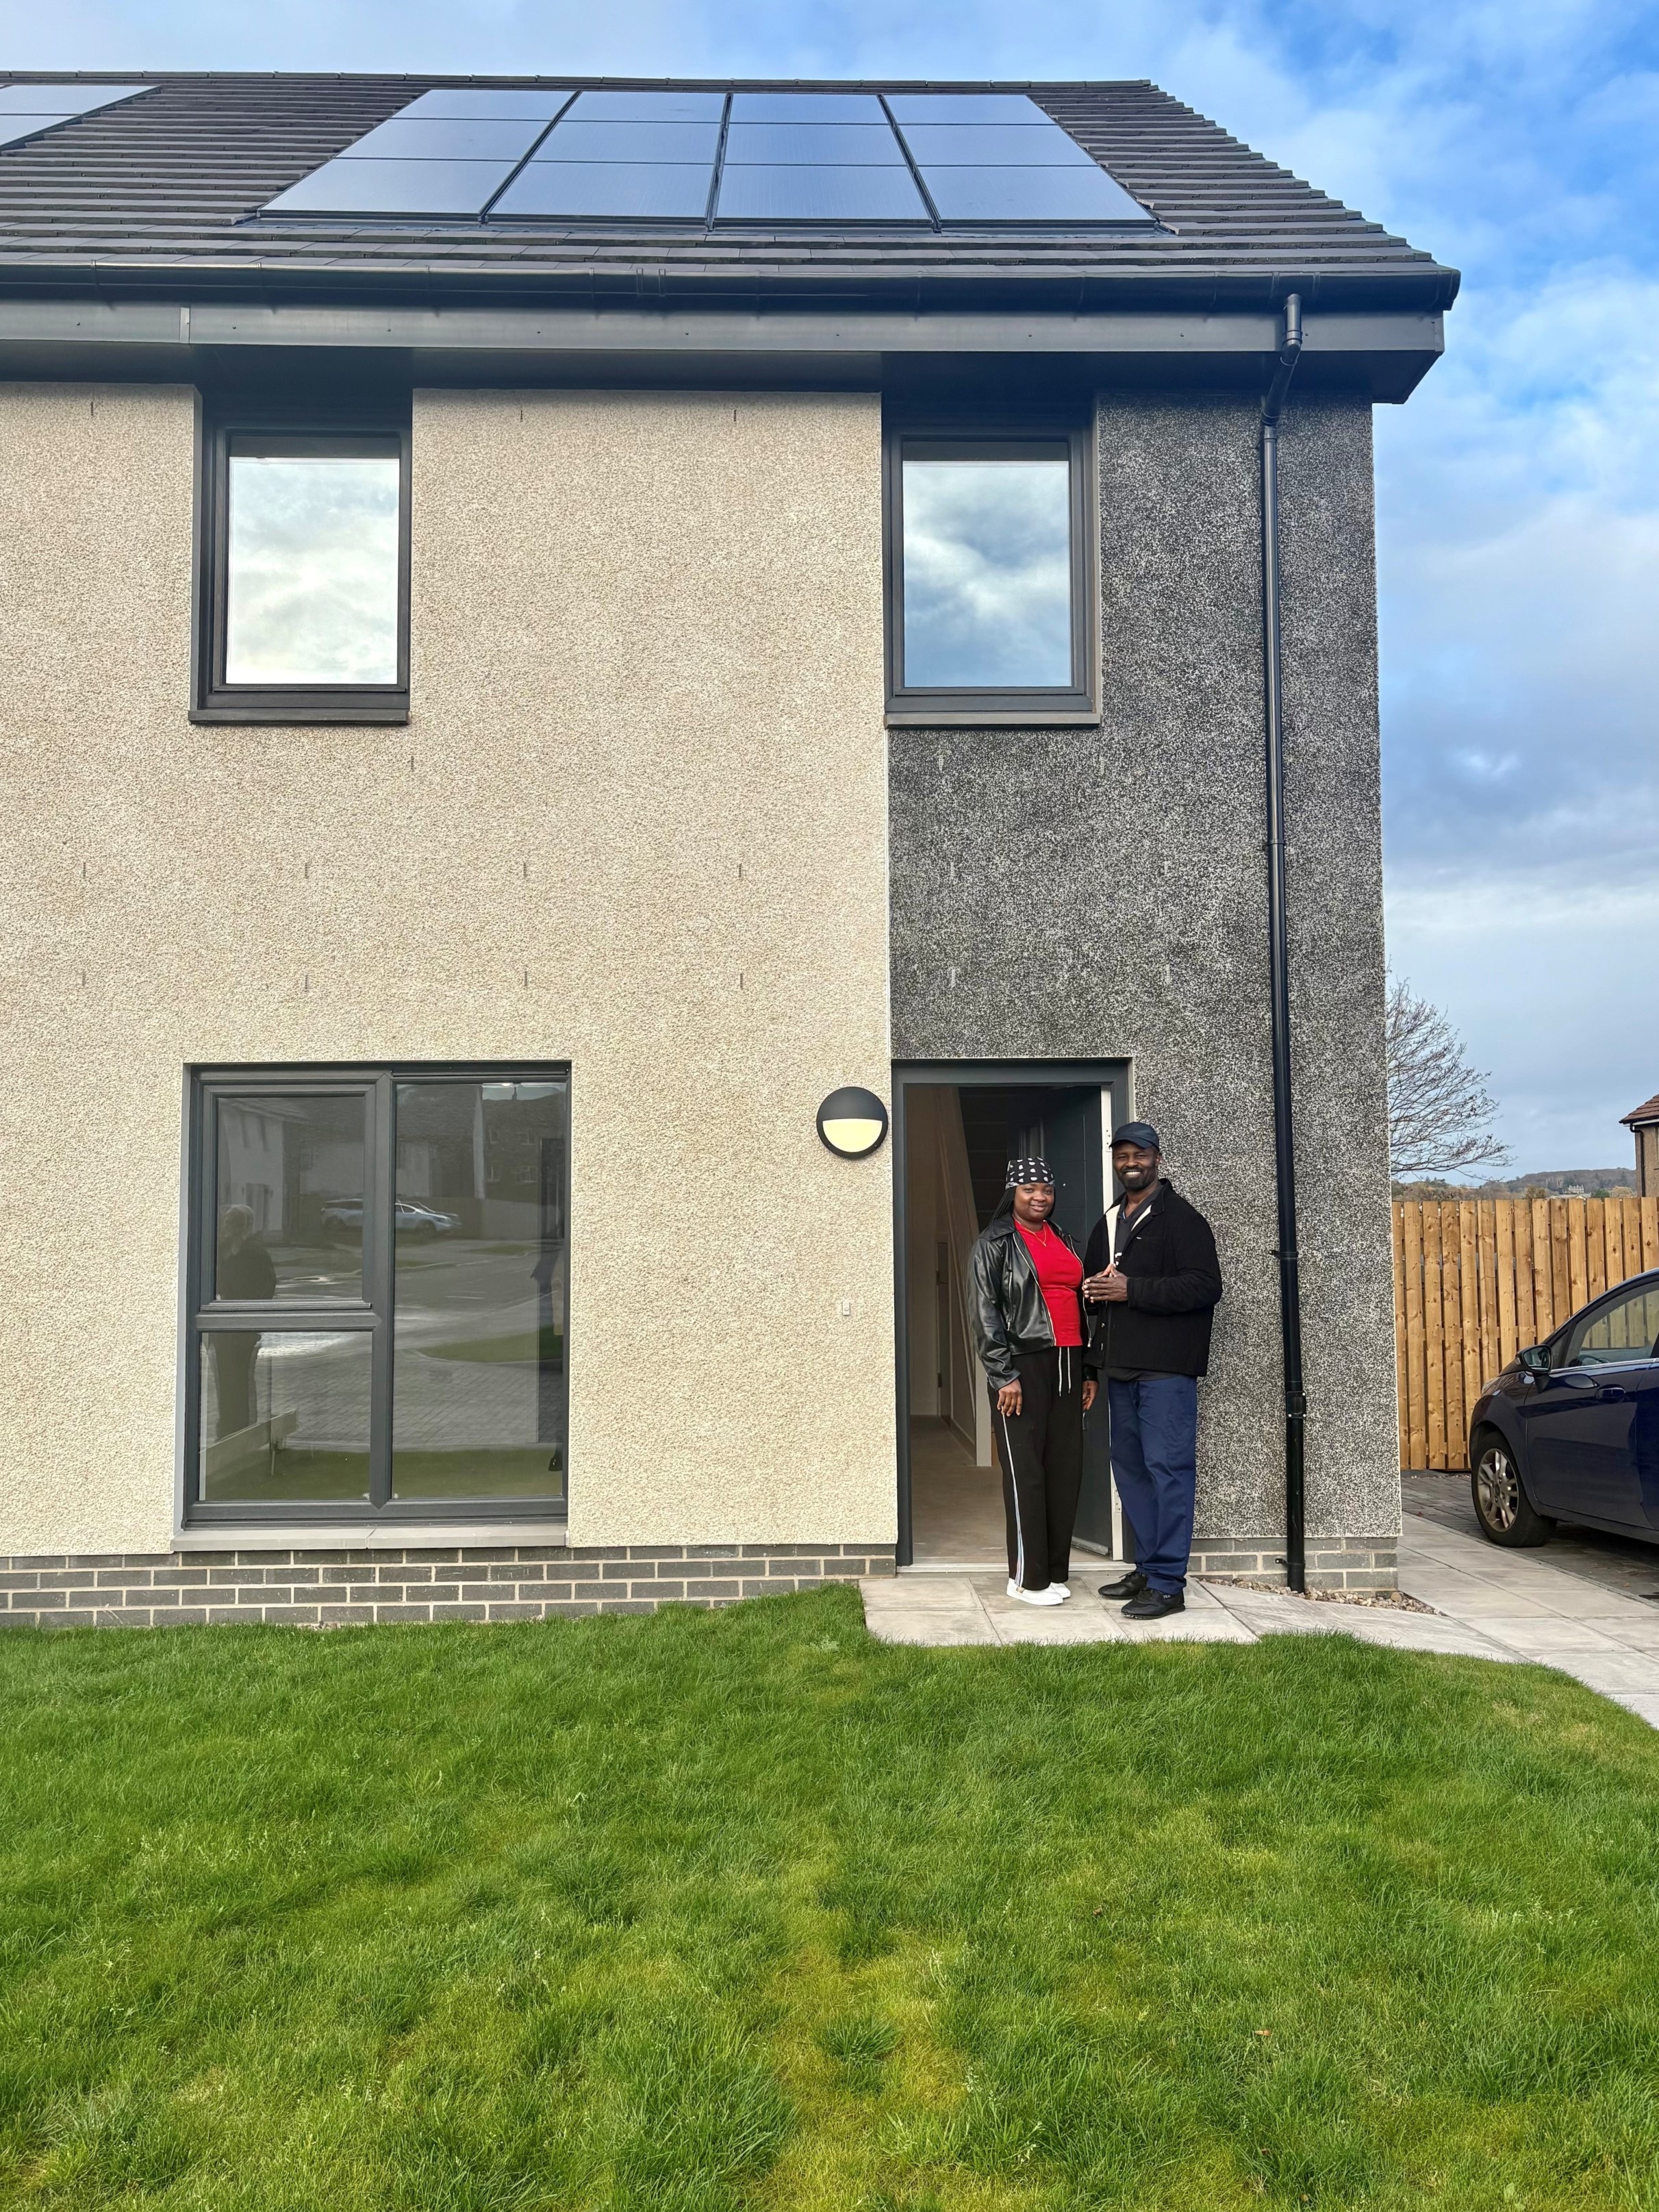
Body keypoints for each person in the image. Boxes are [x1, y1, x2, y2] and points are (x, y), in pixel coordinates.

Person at [1082, 1122, 1223, 1620]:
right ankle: (1148, 1566)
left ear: (1156, 1158)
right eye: (1120, 1155)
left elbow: (1205, 1288)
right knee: (1132, 1472)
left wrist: (1132, 1290)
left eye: (1137, 1153)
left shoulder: (1181, 1220)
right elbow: (1095, 1292)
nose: (1128, 1162)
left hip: (1164, 1372)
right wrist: (1091, 1364)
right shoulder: (1109, 1220)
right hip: (1118, 1368)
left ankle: (1168, 1584)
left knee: (1168, 1472)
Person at [969, 1156, 1099, 1607]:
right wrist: (1002, 1373)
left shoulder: (1061, 1238)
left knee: (1064, 1471)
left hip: (1067, 1362)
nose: (1039, 1196)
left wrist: (1086, 1370)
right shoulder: (995, 1242)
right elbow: (985, 1314)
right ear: (1012, 1193)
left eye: (1045, 1188)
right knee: (1027, 1474)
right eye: (1029, 1189)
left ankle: (1054, 1571)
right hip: (1021, 1368)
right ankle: (1025, 1578)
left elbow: (1078, 1305)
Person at [211, 1204, 275, 1440]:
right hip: (222, 1329)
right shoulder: (219, 1251)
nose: (230, 1228)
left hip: (245, 1329)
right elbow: (212, 1284)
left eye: (235, 1223)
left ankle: (244, 1428)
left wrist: (252, 1313)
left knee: (242, 1379)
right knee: (226, 1379)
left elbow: (267, 1286)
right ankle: (227, 1427)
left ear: (245, 1226)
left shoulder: (255, 1253)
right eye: (228, 1223)